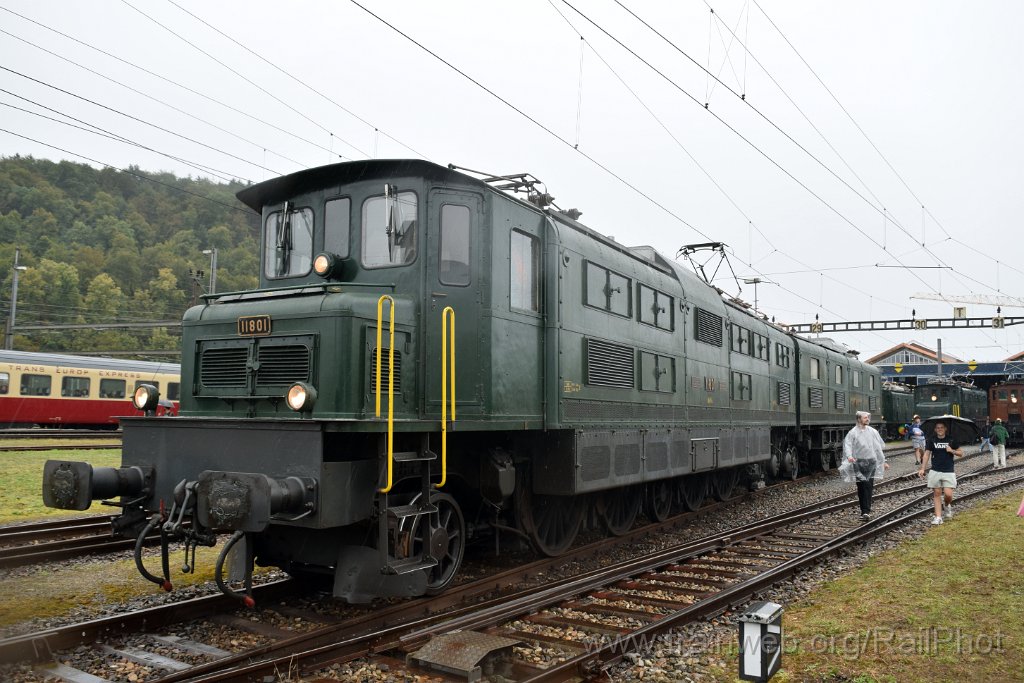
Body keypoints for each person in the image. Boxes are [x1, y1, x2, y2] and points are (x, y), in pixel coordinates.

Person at [843, 411, 889, 521]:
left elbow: (878, 447)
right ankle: (864, 510)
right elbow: (847, 445)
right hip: (858, 462)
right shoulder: (853, 432)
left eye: (868, 417)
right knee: (861, 486)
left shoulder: (872, 432)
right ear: (859, 419)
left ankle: (866, 511)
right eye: (865, 418)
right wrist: (849, 456)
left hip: (871, 462)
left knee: (868, 485)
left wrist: (883, 461)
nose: (867, 419)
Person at [918, 420, 964, 525]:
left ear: (945, 429)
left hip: (948, 470)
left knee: (948, 495)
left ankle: (947, 505)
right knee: (937, 493)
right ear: (935, 429)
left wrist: (952, 451)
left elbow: (961, 453)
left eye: (941, 427)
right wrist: (922, 468)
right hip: (935, 470)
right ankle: (938, 517)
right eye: (937, 428)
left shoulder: (951, 439)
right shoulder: (931, 440)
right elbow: (926, 454)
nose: (939, 429)